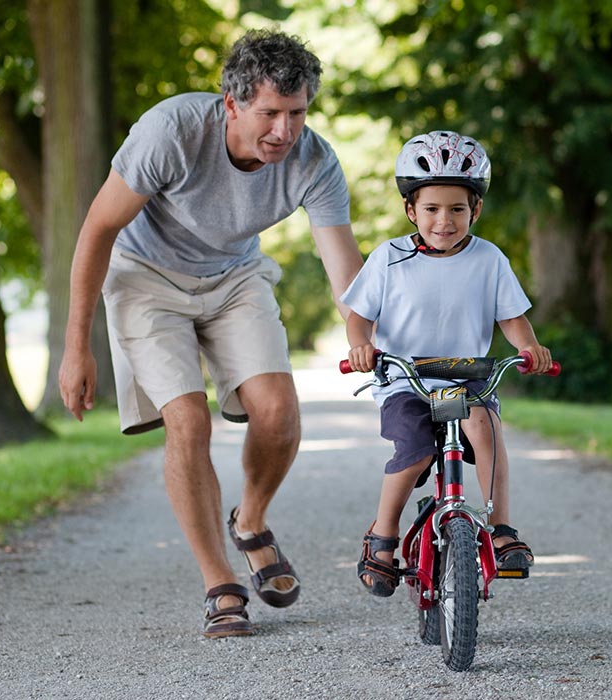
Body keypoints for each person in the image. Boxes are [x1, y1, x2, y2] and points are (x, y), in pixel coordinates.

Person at [57, 29, 362, 637]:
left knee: (277, 411)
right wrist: (75, 347)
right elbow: (96, 231)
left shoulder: (314, 160)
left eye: (297, 113)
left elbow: (342, 264)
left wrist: (362, 337)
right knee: (188, 419)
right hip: (145, 278)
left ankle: (250, 522)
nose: (284, 131)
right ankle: (219, 582)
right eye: (269, 113)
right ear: (231, 103)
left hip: (233, 277)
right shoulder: (170, 132)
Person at [341, 130, 554, 597]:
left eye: (457, 209)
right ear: (411, 210)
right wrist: (360, 346)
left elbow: (513, 320)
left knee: (485, 425)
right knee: (414, 450)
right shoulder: (389, 258)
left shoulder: (489, 259)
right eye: (432, 209)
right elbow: (358, 318)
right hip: (405, 378)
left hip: (468, 377)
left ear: (475, 210)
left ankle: (500, 529)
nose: (444, 220)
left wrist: (530, 348)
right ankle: (383, 534)